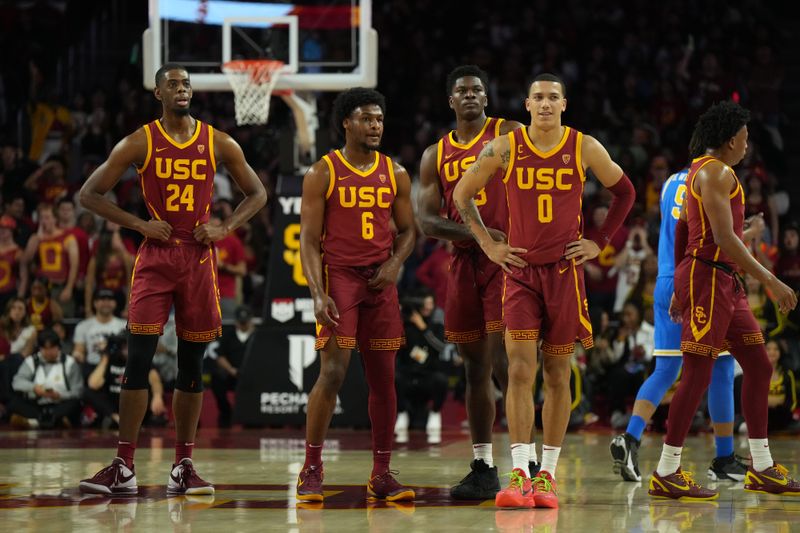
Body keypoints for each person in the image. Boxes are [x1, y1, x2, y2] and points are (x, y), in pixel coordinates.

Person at [77, 62, 266, 496]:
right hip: (156, 256)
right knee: (138, 359)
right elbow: (88, 194)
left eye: (186, 84)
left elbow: (257, 193)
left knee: (192, 365)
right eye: (173, 84)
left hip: (199, 258)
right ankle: (123, 466)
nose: (182, 89)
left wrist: (224, 227)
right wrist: (139, 225)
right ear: (157, 93)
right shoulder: (139, 141)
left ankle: (184, 463)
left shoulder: (218, 141)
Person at [453, 73, 635, 509]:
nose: (546, 104)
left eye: (554, 97)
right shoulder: (505, 147)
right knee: (518, 371)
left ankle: (547, 476)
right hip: (519, 274)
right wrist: (489, 245)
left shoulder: (584, 146)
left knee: (557, 375)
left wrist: (600, 240)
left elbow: (625, 193)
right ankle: (519, 471)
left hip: (564, 274)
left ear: (564, 104)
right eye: (539, 98)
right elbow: (463, 195)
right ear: (527, 104)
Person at [649, 100, 799, 500]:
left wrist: (682, 285)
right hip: (710, 280)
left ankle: (762, 466)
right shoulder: (717, 172)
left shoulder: (698, 170)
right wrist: (772, 280)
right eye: (746, 139)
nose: (747, 146)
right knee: (696, 373)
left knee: (759, 366)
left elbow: (683, 232)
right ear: (732, 140)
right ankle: (667, 470)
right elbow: (724, 240)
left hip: (717, 280)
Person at [417, 65, 533, 499]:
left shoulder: (512, 133)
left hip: (508, 263)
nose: (470, 96)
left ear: (487, 98)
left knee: (510, 363)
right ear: (451, 101)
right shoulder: (435, 154)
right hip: (467, 263)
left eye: (477, 90)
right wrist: (478, 235)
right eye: (462, 91)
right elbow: (427, 221)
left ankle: (527, 460)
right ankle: (484, 465)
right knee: (474, 368)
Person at [297, 87, 416, 502]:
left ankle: (381, 473)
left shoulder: (396, 173)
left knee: (384, 380)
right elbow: (308, 241)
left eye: (379, 120)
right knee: (332, 372)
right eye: (367, 119)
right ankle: (311, 468)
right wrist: (316, 293)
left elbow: (409, 231)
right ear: (346, 122)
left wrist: (395, 262)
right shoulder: (322, 172)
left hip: (380, 282)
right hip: (339, 278)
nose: (375, 126)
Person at [610, 165, 764, 483]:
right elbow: (713, 239)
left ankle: (630, 437)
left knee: (666, 369)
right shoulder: (712, 178)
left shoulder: (669, 182)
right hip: (700, 281)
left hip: (668, 279)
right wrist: (748, 234)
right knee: (721, 368)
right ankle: (723, 457)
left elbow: (682, 230)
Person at [394, 289, 449, 445]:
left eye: (430, 304)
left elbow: (440, 347)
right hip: (408, 374)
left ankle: (435, 413)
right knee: (394, 377)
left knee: (441, 380)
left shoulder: (436, 326)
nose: (427, 307)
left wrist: (423, 328)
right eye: (424, 304)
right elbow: (397, 349)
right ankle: (402, 413)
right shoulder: (406, 327)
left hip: (428, 374)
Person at [85, 332, 167, 430]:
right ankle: (116, 418)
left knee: (148, 394)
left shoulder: (141, 358)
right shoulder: (111, 359)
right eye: (125, 347)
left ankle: (134, 421)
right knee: (88, 392)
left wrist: (157, 397)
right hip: (115, 404)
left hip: (134, 402)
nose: (128, 350)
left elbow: (155, 380)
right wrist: (106, 356)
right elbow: (93, 384)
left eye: (131, 346)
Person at [9, 328, 83, 429]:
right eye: (45, 348)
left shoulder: (70, 363)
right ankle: (52, 421)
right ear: (39, 348)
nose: (49, 352)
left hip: (59, 404)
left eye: (52, 348)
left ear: (58, 347)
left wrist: (59, 395)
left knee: (75, 404)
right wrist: (34, 388)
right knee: (14, 402)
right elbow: (17, 382)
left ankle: (37, 421)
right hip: (36, 405)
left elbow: (77, 391)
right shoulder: (31, 361)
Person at [20, 203, 79, 317]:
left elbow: (74, 265)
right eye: (41, 218)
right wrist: (37, 238)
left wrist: (69, 288)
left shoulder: (68, 238)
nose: (43, 221)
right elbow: (26, 260)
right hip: (40, 288)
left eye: (47, 217)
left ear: (55, 219)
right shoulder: (35, 238)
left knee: (61, 318)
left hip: (59, 287)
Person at [210, 305, 254, 428]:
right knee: (217, 379)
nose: (243, 325)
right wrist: (231, 370)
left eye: (245, 322)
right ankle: (226, 412)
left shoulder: (257, 335)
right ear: (236, 322)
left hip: (252, 375)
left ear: (251, 321)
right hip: (233, 373)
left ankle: (253, 414)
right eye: (241, 322)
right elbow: (220, 356)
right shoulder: (229, 335)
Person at [72, 288, 127, 376]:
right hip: (91, 367)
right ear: (95, 303)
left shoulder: (124, 326)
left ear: (115, 303)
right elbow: (79, 349)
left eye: (109, 300)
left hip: (117, 368)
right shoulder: (83, 326)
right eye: (102, 299)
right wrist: (78, 355)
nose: (106, 303)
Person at [0, 215, 21, 312]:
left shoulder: (18, 251)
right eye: (0, 229)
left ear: (12, 231)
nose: (2, 231)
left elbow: (23, 277)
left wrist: (20, 297)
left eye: (5, 229)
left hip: (10, 293)